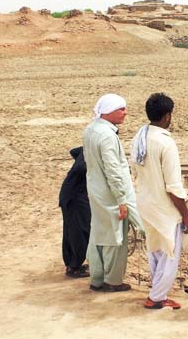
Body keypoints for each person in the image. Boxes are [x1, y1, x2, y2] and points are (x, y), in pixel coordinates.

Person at [130, 93, 188, 310]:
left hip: (145, 202)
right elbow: (174, 187)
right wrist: (186, 216)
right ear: (167, 116)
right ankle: (157, 297)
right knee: (169, 252)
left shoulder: (140, 137)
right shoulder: (165, 143)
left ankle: (157, 293)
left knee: (155, 248)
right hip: (163, 207)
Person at [83, 93, 142, 292]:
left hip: (96, 190)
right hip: (111, 194)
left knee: (99, 232)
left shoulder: (91, 129)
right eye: (121, 109)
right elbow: (113, 170)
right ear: (108, 111)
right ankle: (113, 281)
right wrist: (121, 200)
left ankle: (97, 278)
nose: (125, 113)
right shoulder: (107, 135)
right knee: (116, 237)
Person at [59, 146, 91, 278]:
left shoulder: (87, 150)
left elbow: (73, 151)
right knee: (80, 230)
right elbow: (80, 168)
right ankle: (74, 267)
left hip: (69, 194)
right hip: (75, 197)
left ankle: (72, 263)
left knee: (70, 230)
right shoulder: (88, 158)